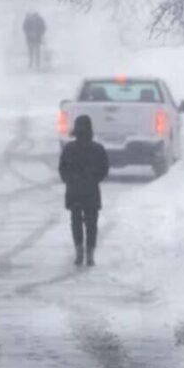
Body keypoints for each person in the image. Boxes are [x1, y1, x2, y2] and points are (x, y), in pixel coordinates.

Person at [59, 114, 110, 266]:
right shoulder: (98, 149)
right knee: (92, 223)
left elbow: (62, 169)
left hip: (74, 191)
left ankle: (79, 251)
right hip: (91, 191)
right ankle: (90, 253)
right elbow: (104, 169)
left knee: (75, 221)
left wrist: (70, 181)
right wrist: (93, 179)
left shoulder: (69, 149)